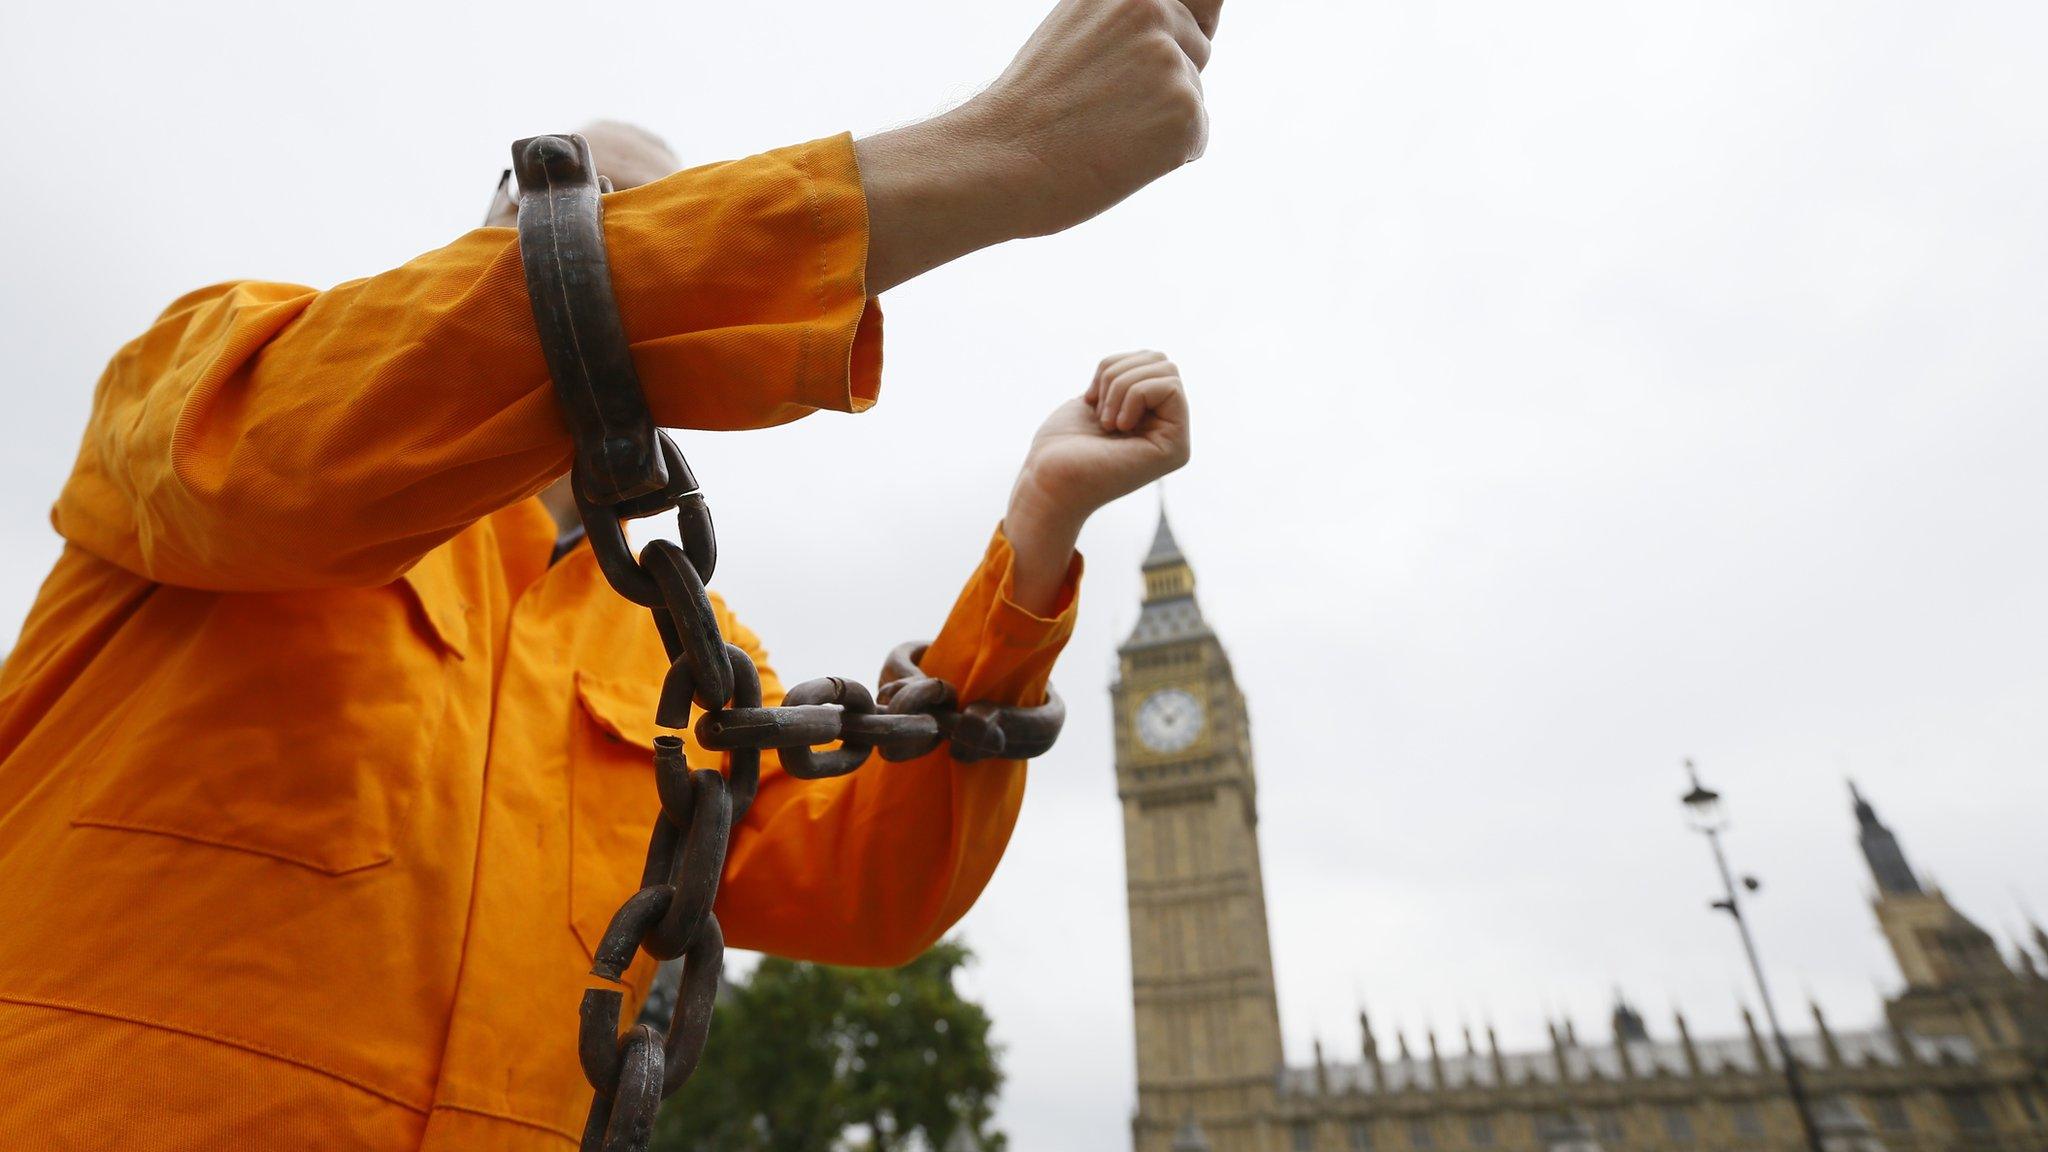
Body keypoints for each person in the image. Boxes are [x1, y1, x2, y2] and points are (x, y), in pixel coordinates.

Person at [0, 0, 1217, 1145]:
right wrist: (994, 153)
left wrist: (1036, 534)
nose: (637, 251)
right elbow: (290, 458)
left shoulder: (683, 651)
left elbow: (866, 884)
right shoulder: (207, 381)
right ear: (474, 244)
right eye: (581, 210)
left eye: (665, 222)